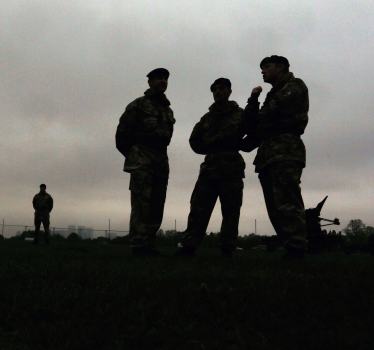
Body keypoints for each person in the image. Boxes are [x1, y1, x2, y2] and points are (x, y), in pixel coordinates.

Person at [242, 55, 309, 260]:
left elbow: (269, 114)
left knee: (287, 201)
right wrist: (253, 100)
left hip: (285, 150)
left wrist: (256, 120)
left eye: (266, 67)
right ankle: (290, 246)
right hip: (268, 153)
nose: (263, 72)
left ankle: (296, 247)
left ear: (280, 67)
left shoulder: (293, 86)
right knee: (274, 205)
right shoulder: (273, 93)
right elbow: (250, 124)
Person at [178, 78, 247, 258]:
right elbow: (194, 140)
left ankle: (227, 249)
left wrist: (239, 145)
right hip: (209, 168)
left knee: (231, 211)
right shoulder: (207, 117)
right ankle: (189, 247)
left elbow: (254, 133)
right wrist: (210, 150)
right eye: (215, 89)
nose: (218, 92)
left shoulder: (240, 114)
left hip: (231, 166)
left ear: (229, 91)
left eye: (222, 89)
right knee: (198, 208)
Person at [115, 68, 175, 256]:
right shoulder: (138, 105)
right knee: (141, 204)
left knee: (157, 204)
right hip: (142, 159)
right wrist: (135, 156)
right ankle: (139, 245)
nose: (162, 81)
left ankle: (150, 243)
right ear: (149, 82)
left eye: (165, 78)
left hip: (161, 161)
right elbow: (122, 136)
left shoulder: (167, 110)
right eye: (158, 78)